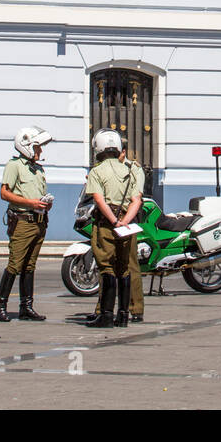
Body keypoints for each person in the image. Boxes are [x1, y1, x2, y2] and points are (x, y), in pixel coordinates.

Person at [83, 129, 142, 329]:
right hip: (126, 225)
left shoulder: (97, 171)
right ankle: (123, 315)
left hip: (107, 226)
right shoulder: (130, 170)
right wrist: (125, 221)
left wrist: (113, 221)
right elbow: (137, 200)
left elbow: (99, 200)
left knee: (106, 267)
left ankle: (106, 315)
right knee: (124, 268)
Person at [0, 125, 53, 323]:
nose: (40, 151)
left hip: (39, 221)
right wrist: (31, 203)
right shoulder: (14, 166)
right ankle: (1, 306)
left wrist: (45, 204)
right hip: (22, 222)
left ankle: (26, 307)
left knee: (30, 266)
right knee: (14, 265)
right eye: (38, 147)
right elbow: (4, 193)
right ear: (26, 146)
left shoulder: (38, 169)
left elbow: (37, 195)